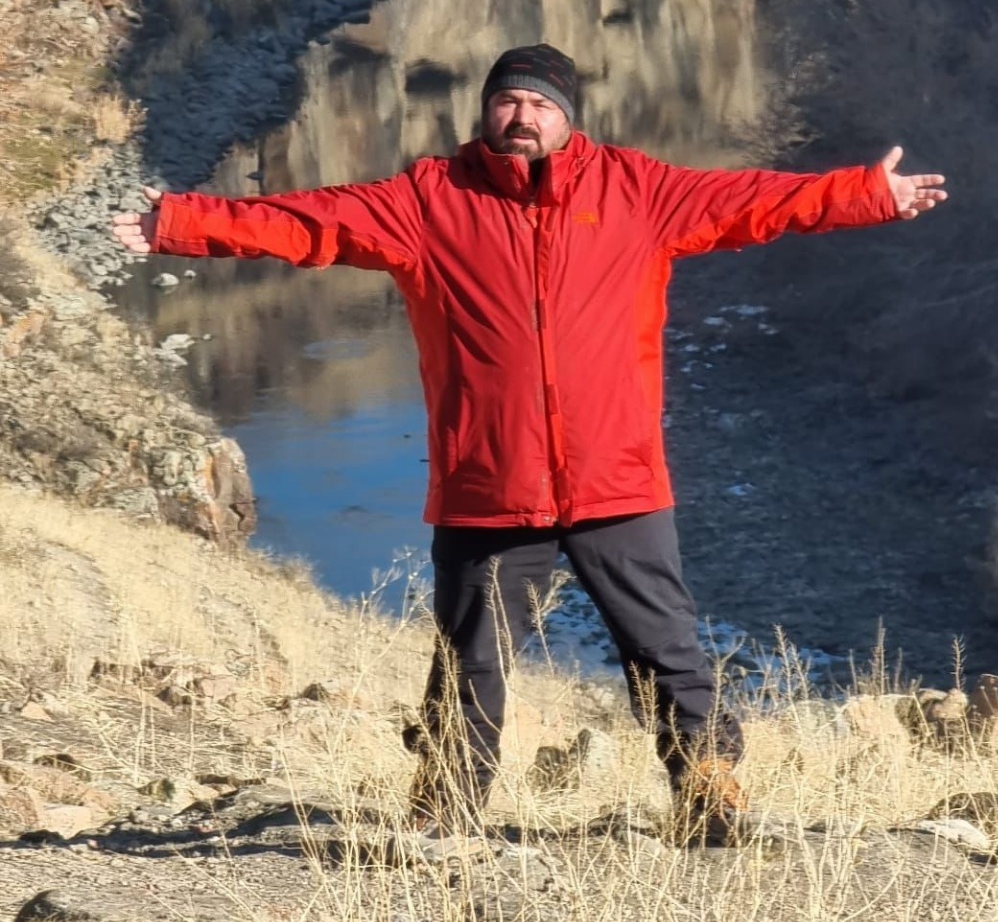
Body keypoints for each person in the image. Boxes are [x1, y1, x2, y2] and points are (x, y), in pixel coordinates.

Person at [112, 43, 947, 846]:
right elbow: (307, 223)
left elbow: (755, 203)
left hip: (615, 476)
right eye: (507, 100)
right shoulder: (428, 198)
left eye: (541, 104)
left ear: (568, 119)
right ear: (485, 111)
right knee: (470, 659)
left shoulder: (636, 189)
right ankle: (445, 811)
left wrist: (868, 193)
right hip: (490, 478)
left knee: (665, 651)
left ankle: (706, 787)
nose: (522, 116)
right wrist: (178, 222)